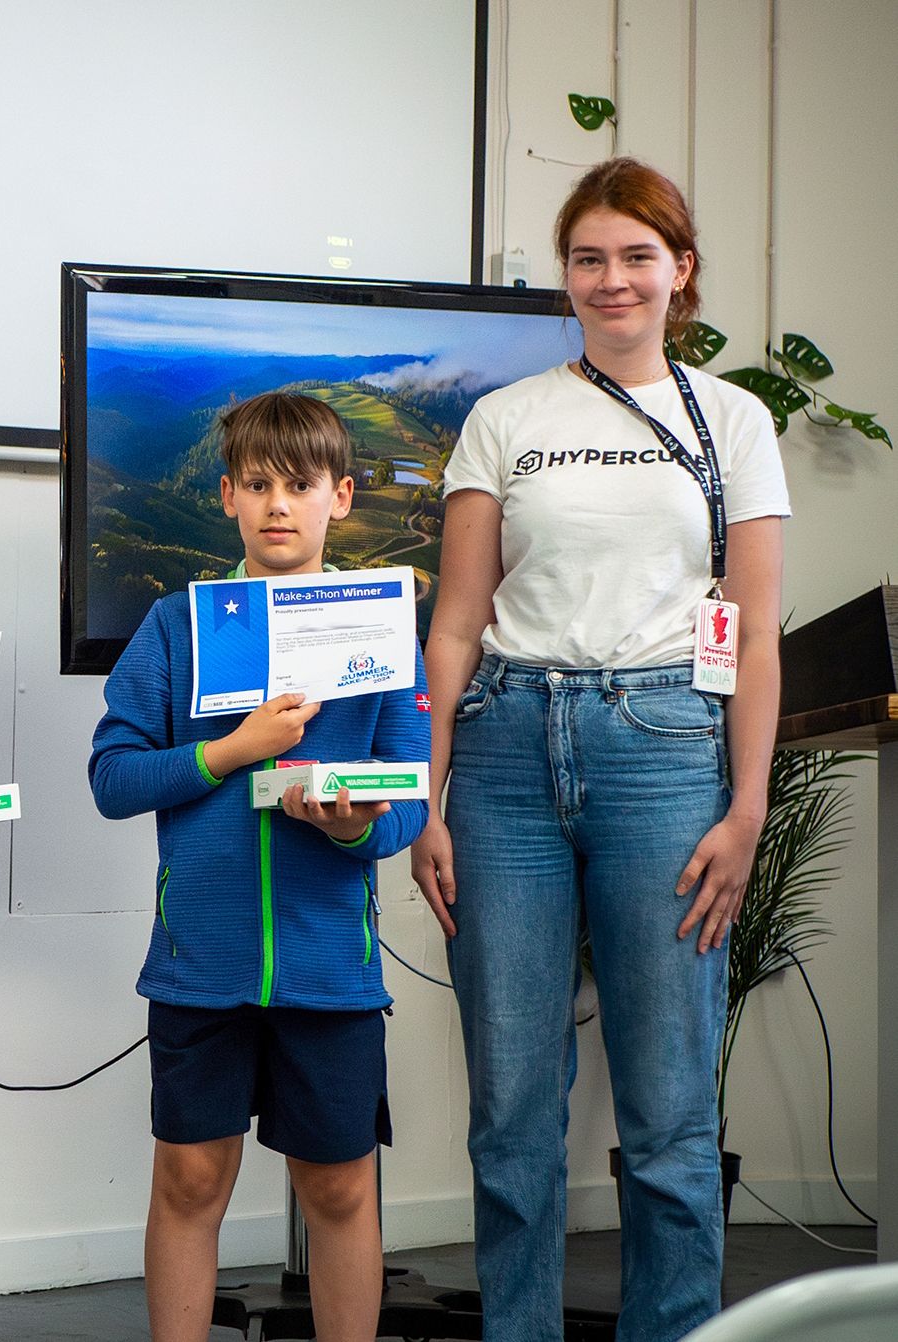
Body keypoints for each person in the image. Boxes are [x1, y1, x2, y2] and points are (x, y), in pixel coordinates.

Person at [410, 157, 789, 1341]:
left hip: (664, 749)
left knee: (671, 1110)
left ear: (679, 271)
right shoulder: (504, 419)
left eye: (637, 255)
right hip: (507, 755)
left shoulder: (732, 417)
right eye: (588, 257)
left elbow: (756, 628)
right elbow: (459, 620)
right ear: (565, 276)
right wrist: (424, 798)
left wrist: (745, 810)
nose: (611, 278)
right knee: (511, 1107)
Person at [88, 392, 430, 1342]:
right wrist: (233, 749)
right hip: (201, 961)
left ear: (341, 497)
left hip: (331, 970)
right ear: (228, 497)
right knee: (190, 1177)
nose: (278, 505)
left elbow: (407, 802)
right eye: (257, 485)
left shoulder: (382, 629)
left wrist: (356, 825)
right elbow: (112, 780)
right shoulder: (173, 628)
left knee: (338, 1184)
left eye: (300, 485)